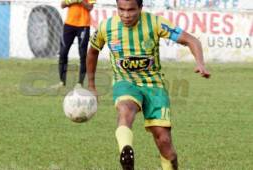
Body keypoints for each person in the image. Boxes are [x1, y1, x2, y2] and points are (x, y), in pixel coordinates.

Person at [86, 0, 210, 169]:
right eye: (121, 10)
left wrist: (200, 63)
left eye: (131, 10)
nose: (126, 15)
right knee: (125, 110)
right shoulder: (106, 27)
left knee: (164, 142)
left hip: (154, 86)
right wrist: (92, 85)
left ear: (140, 8)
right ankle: (126, 152)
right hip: (125, 82)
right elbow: (92, 52)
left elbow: (191, 40)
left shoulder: (155, 23)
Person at [54, 0, 96, 88]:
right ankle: (62, 82)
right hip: (69, 24)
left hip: (83, 25)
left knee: (83, 54)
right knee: (63, 52)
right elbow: (62, 5)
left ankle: (80, 83)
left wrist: (80, 1)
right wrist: (71, 1)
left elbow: (90, 7)